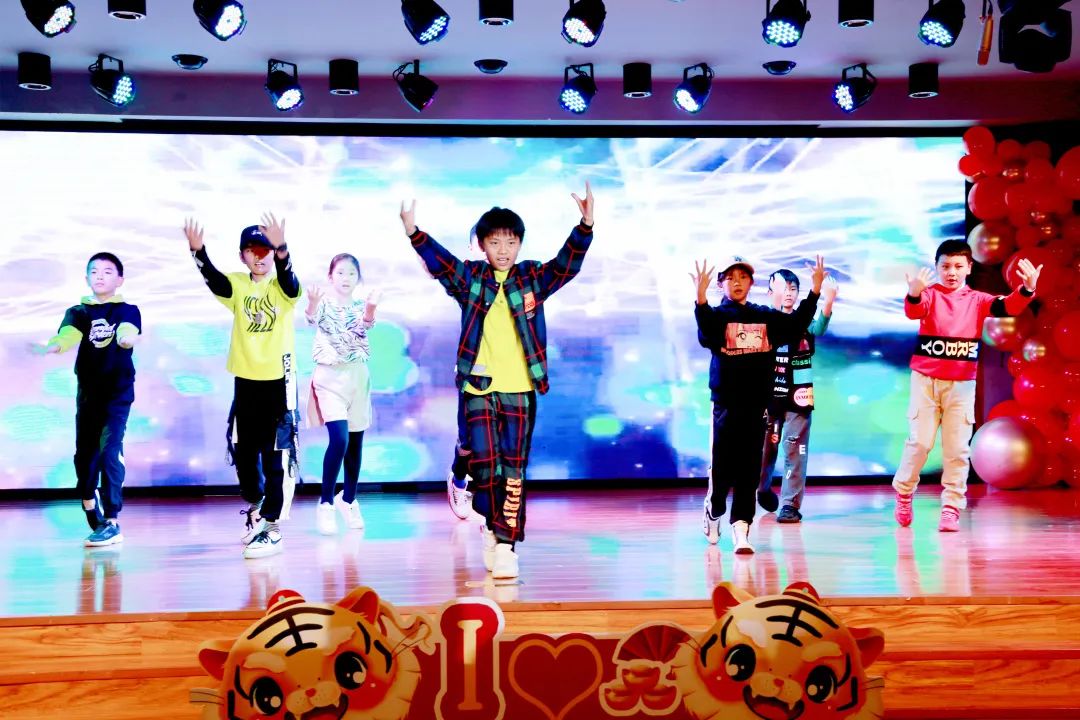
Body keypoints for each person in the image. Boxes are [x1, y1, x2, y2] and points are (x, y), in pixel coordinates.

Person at [401, 183, 595, 579]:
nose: (503, 250)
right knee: (487, 467)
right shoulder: (472, 278)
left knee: (514, 470)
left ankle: (505, 543)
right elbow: (443, 264)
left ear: (520, 244)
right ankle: (492, 527)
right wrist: (413, 232)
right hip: (478, 387)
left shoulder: (532, 278)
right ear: (482, 245)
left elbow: (566, 265)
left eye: (510, 242)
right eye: (494, 242)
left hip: (521, 388)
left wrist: (585, 226)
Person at [893, 240, 1040, 532]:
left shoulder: (978, 300)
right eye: (946, 266)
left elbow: (1007, 306)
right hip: (925, 381)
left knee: (957, 448)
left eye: (958, 266)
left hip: (961, 383)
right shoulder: (930, 295)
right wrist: (914, 293)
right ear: (936, 268)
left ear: (969, 268)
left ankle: (951, 507)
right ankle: (904, 492)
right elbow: (914, 311)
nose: (952, 272)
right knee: (920, 443)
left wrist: (1027, 289)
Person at [183, 215, 302, 559]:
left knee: (276, 456)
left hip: (279, 384)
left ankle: (272, 526)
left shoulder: (283, 288)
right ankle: (257, 505)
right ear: (242, 256)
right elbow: (213, 279)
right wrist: (198, 252)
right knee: (245, 455)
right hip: (246, 384)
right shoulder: (237, 285)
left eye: (265, 250)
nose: (260, 256)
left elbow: (290, 280)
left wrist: (282, 249)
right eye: (252, 250)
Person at [692, 254, 825, 554]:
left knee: (749, 468)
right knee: (723, 468)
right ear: (721, 284)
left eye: (743, 277)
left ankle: (742, 529)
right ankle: (714, 509)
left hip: (756, 405)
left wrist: (815, 292)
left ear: (751, 283)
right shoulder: (717, 317)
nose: (737, 283)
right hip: (725, 405)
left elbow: (796, 326)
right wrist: (700, 301)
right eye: (730, 278)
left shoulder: (764, 317)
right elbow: (707, 333)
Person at [35, 252, 141, 547]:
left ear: (120, 279)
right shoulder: (78, 312)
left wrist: (126, 339)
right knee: (85, 459)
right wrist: (53, 346)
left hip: (118, 393)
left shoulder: (127, 310)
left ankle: (112, 521)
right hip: (89, 395)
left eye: (107, 271)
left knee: (110, 451)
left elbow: (128, 329)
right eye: (94, 271)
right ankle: (89, 502)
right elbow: (68, 336)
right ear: (86, 278)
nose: (100, 276)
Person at [305, 253, 380, 535]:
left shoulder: (361, 305)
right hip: (329, 378)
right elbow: (311, 318)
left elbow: (367, 324)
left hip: (357, 376)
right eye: (340, 273)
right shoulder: (324, 303)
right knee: (339, 439)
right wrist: (312, 303)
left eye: (351, 273)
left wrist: (371, 307)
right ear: (330, 276)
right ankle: (325, 503)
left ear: (358, 278)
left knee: (356, 442)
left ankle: (348, 500)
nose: (345, 278)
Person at [757, 269, 838, 523]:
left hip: (799, 394)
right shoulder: (764, 320)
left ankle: (790, 505)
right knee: (765, 447)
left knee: (794, 447)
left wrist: (828, 301)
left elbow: (819, 327)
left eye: (793, 289)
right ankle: (761, 488)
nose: (788, 294)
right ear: (771, 293)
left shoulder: (804, 321)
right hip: (769, 393)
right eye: (784, 289)